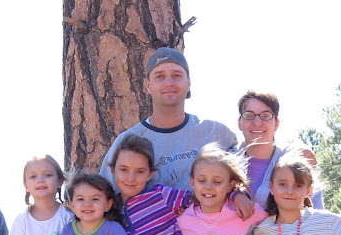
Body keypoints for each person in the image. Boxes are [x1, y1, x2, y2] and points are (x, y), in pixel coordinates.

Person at [98, 47, 237, 193]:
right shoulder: (127, 142)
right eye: (159, 76)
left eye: (177, 75)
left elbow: (245, 181)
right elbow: (107, 199)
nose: (169, 82)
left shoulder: (216, 133)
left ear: (188, 83)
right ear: (147, 85)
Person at [233, 90, 323, 209]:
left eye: (265, 116)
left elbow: (317, 212)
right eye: (249, 115)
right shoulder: (226, 162)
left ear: (276, 124)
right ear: (240, 123)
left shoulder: (297, 164)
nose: (257, 122)